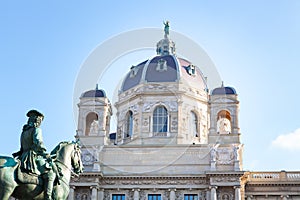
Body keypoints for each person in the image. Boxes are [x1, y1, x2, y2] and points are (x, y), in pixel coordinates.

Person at [13, 110, 56, 200]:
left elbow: (22, 147)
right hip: (31, 157)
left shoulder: (24, 132)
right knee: (50, 173)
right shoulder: (36, 130)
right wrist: (45, 153)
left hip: (22, 157)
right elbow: (38, 143)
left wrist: (18, 153)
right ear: (37, 120)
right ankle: (48, 196)